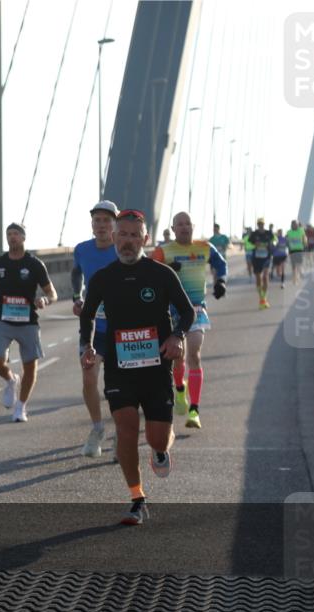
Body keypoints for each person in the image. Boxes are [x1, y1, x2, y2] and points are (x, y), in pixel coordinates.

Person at [80, 209, 194, 525]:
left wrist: (177, 336)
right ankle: (137, 498)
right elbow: (88, 314)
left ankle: (160, 451)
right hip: (120, 367)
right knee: (126, 429)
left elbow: (187, 312)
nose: (128, 242)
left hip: (157, 368)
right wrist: (86, 345)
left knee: (158, 437)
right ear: (114, 238)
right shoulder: (103, 278)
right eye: (123, 235)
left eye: (134, 236)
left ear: (144, 239)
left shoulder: (161, 274)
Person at [151, 212, 227, 430]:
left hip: (195, 309)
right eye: (179, 225)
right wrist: (165, 272)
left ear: (193, 226)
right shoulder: (163, 251)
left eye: (187, 224)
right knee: (178, 357)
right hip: (170, 312)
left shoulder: (204, 247)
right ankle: (180, 389)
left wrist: (220, 281)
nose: (184, 228)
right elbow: (148, 273)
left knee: (194, 353)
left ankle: (194, 410)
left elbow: (220, 265)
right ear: (173, 229)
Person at [0, 223, 57, 422]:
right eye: (9, 234)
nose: (12, 237)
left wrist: (45, 300)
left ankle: (21, 407)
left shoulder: (34, 264)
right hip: (2, 320)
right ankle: (10, 379)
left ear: (23, 237)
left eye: (16, 234)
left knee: (30, 367)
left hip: (28, 322)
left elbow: (52, 293)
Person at [70, 200, 120, 457]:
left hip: (121, 329)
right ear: (92, 225)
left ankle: (120, 435)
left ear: (115, 224)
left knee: (118, 385)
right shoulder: (82, 249)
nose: (101, 225)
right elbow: (76, 273)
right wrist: (77, 297)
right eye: (97, 220)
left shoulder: (123, 250)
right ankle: (98, 428)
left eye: (106, 221)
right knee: (89, 375)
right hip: (92, 327)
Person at [249, 218, 276, 308]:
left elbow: (274, 241)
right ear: (257, 224)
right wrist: (255, 244)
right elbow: (249, 242)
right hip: (256, 258)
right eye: (259, 224)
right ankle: (261, 297)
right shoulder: (254, 234)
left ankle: (264, 297)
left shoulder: (269, 233)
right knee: (258, 278)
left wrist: (272, 244)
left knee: (265, 276)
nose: (261, 225)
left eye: (262, 224)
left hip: (266, 257)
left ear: (264, 224)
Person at [286, 219, 307, 283]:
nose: (294, 225)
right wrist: (288, 246)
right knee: (293, 265)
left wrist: (304, 244)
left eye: (295, 224)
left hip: (299, 249)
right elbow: (287, 240)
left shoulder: (301, 231)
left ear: (297, 225)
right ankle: (295, 277)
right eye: (292, 224)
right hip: (292, 250)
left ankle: (299, 272)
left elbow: (304, 238)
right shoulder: (289, 232)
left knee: (299, 263)